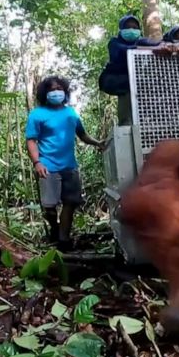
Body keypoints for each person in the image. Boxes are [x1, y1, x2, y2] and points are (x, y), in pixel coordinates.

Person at [25, 76, 104, 252]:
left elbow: (82, 135)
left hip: (69, 166)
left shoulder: (71, 113)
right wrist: (37, 162)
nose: (56, 92)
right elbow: (31, 140)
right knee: (49, 207)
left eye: (59, 88)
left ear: (65, 92)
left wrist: (98, 143)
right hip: (48, 166)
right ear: (45, 93)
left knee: (70, 203)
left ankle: (64, 240)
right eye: (52, 89)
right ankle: (54, 227)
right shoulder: (37, 114)